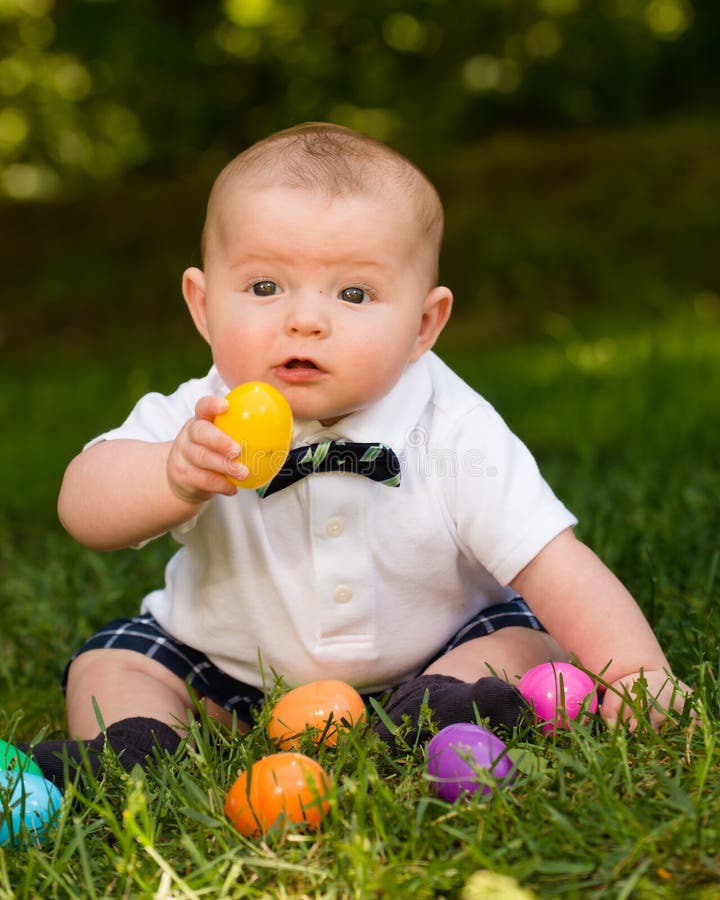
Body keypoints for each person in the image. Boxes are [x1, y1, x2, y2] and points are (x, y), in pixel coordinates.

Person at [11, 122, 688, 787]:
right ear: (204, 305)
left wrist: (637, 673)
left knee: (523, 640)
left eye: (354, 294)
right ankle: (137, 748)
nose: (306, 320)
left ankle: (439, 710)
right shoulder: (199, 416)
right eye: (265, 287)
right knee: (114, 662)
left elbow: (551, 561)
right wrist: (170, 475)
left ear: (423, 325)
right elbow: (83, 509)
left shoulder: (454, 426)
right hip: (227, 669)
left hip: (436, 653)